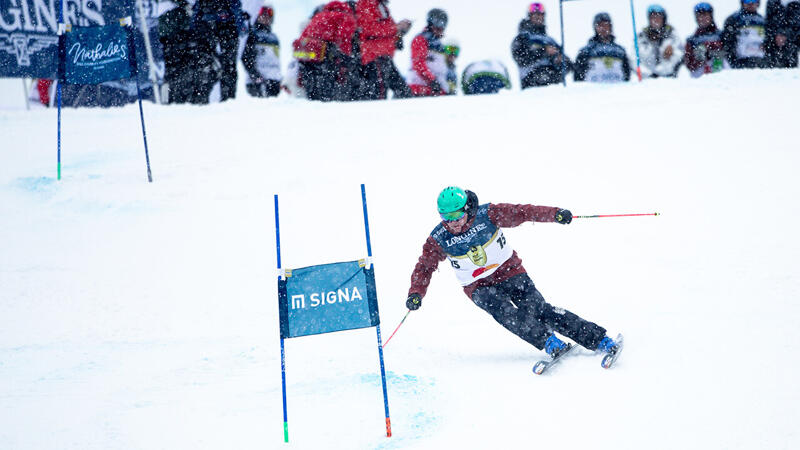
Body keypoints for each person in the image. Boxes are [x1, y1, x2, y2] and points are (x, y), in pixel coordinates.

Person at [405, 187, 620, 363]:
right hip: (477, 286)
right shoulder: (439, 238)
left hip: (509, 272)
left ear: (467, 209)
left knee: (539, 310)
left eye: (457, 215)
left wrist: (555, 214)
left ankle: (599, 339)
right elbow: (424, 266)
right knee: (505, 313)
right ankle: (549, 342)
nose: (453, 222)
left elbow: (523, 212)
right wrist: (416, 293)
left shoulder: (487, 214)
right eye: (446, 217)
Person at [293, 1, 358, 101]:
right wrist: (346, 58)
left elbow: (305, 34)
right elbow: (344, 38)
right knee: (325, 85)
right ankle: (324, 103)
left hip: (306, 52)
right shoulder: (346, 16)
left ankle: (311, 100)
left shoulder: (320, 15)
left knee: (311, 84)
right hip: (323, 52)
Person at [159, 0, 219, 104]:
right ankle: (178, 101)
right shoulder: (171, 16)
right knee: (177, 73)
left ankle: (196, 100)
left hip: (195, 37)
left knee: (196, 72)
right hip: (177, 35)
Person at [356, 0, 413, 99]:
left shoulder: (380, 5)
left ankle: (401, 113)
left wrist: (399, 33)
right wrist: (396, 27)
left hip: (384, 57)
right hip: (375, 57)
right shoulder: (367, 3)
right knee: (379, 96)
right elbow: (369, 29)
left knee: (403, 92)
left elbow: (385, 30)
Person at [193, 0, 246, 101]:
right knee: (228, 65)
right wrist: (240, 23)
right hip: (226, 22)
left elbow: (198, 7)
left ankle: (202, 98)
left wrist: (195, 22)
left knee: (206, 65)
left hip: (209, 22)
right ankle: (227, 98)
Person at [511, 2, 572, 88]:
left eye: (540, 14)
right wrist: (543, 51)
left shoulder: (551, 41)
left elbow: (569, 66)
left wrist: (561, 60)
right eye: (535, 14)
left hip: (554, 87)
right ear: (529, 16)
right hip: (531, 85)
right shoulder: (523, 38)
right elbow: (520, 58)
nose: (538, 17)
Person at [574, 13, 632, 82]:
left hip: (617, 90)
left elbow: (627, 74)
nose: (603, 28)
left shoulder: (620, 51)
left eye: (605, 25)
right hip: (593, 91)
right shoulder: (586, 51)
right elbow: (578, 77)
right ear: (595, 27)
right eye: (600, 25)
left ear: (610, 27)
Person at [407, 9, 451, 96]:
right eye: (437, 22)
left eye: (443, 23)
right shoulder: (421, 39)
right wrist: (432, 81)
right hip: (420, 90)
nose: (440, 27)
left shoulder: (439, 44)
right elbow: (418, 64)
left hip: (436, 92)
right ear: (430, 22)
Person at [242, 5, 282, 98]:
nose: (265, 18)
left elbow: (276, 61)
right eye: (263, 15)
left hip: (274, 80)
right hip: (258, 81)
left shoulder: (274, 38)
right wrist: (254, 75)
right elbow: (246, 57)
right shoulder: (252, 35)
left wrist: (279, 78)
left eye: (268, 16)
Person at [638, 4, 684, 77]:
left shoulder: (672, 35)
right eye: (653, 17)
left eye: (659, 16)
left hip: (669, 78)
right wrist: (648, 74)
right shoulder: (641, 37)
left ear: (664, 18)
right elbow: (634, 59)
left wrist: (673, 54)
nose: (656, 19)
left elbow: (680, 55)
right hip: (647, 81)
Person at [721, 0, 769, 68]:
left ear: (758, 3)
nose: (750, 3)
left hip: (760, 62)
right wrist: (733, 62)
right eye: (747, 1)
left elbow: (768, 41)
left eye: (754, 1)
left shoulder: (763, 20)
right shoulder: (733, 19)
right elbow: (727, 43)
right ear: (742, 2)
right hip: (741, 62)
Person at [685, 2, 728, 76]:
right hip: (701, 78)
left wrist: (711, 50)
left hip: (722, 75)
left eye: (705, 15)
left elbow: (730, 54)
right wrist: (700, 56)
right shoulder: (692, 40)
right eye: (699, 16)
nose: (702, 18)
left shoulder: (721, 35)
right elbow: (689, 64)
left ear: (711, 16)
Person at [766, 0, 800, 67]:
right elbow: (769, 22)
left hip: (792, 44)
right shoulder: (773, 3)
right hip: (774, 45)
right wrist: (777, 34)